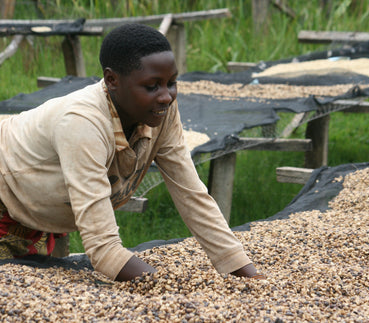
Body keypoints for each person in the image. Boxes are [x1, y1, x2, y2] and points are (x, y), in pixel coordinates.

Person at [0, 24, 263, 281]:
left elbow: (192, 195)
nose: (166, 97)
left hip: (36, 211)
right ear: (112, 80)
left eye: (171, 83)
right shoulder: (81, 123)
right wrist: (166, 288)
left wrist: (250, 277)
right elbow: (103, 250)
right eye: (152, 86)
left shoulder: (163, 112)